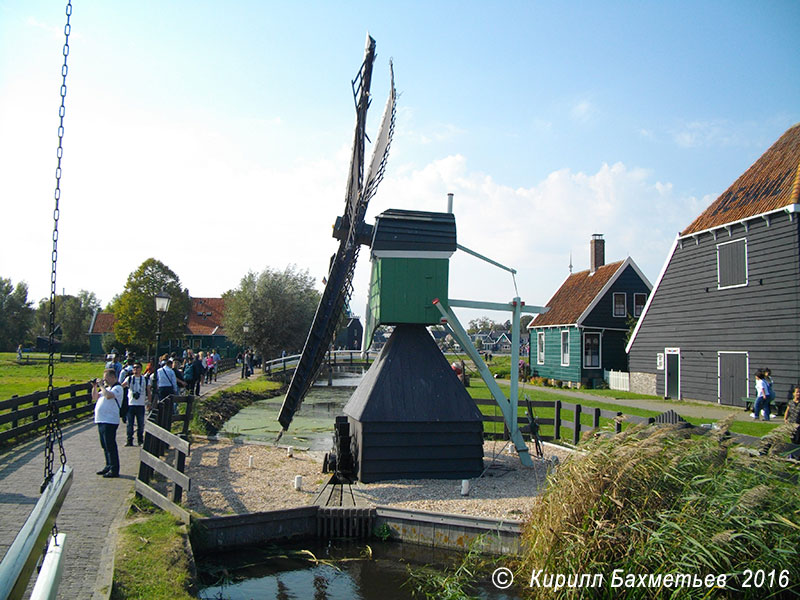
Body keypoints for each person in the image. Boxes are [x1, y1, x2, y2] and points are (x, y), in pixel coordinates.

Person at [92, 369, 122, 478]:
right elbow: (95, 397)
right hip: (101, 420)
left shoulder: (117, 388)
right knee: (104, 445)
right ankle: (108, 465)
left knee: (110, 445)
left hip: (110, 420)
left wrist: (101, 386)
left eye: (106, 377)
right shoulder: (107, 388)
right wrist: (95, 386)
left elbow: (108, 396)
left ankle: (114, 469)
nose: (104, 380)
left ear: (113, 377)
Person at [122, 362, 150, 446]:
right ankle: (129, 440)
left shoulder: (145, 379)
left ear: (141, 369)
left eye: (137, 367)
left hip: (141, 404)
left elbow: (148, 391)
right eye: (134, 368)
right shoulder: (129, 379)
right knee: (129, 424)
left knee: (140, 424)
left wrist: (149, 402)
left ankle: (140, 440)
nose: (135, 369)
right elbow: (121, 386)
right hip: (131, 404)